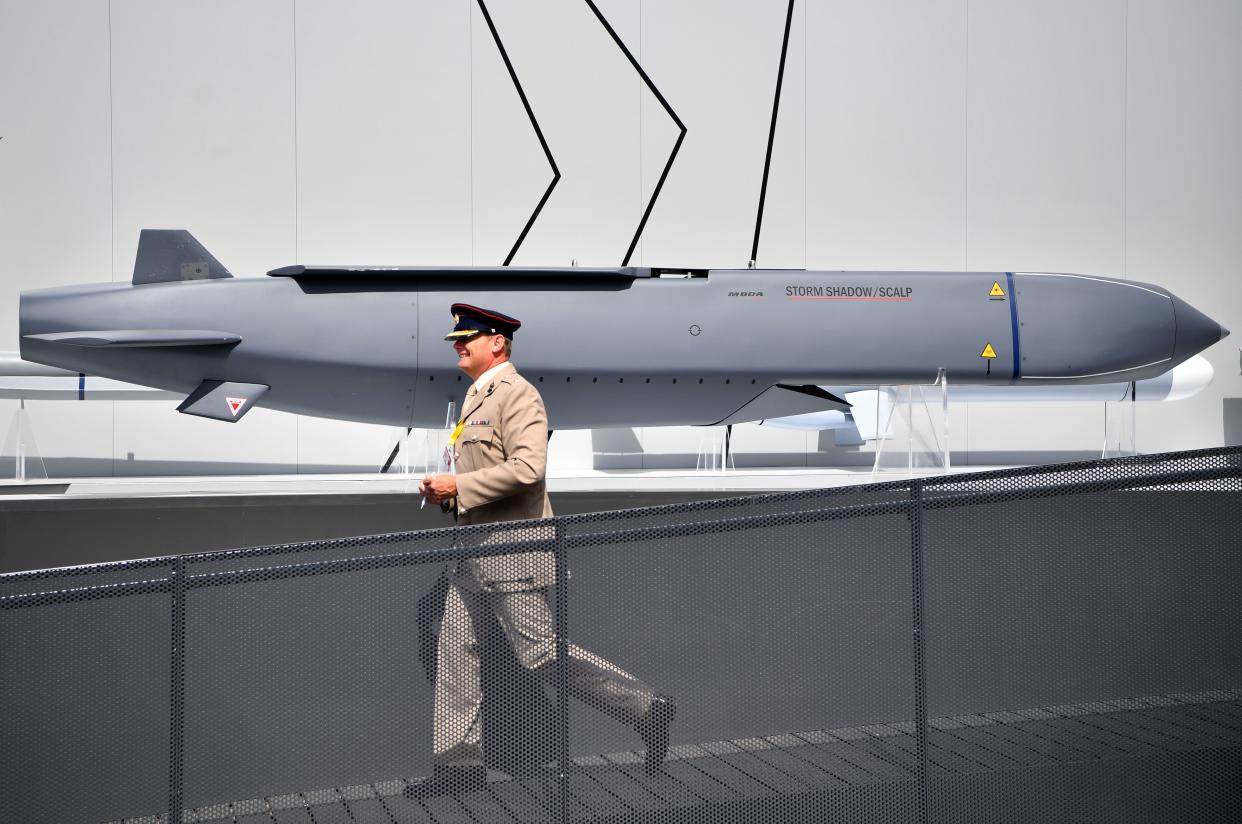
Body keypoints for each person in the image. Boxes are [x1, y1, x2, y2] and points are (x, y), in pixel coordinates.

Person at [408, 303, 675, 799]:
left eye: (467, 337)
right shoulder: (475, 396)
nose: (458, 344)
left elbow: (528, 469)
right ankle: (460, 765)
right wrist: (445, 493)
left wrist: (459, 485)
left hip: (512, 553)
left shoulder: (518, 395)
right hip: (471, 552)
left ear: (498, 343)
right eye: (455, 339)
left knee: (540, 653)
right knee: (455, 657)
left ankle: (645, 707)